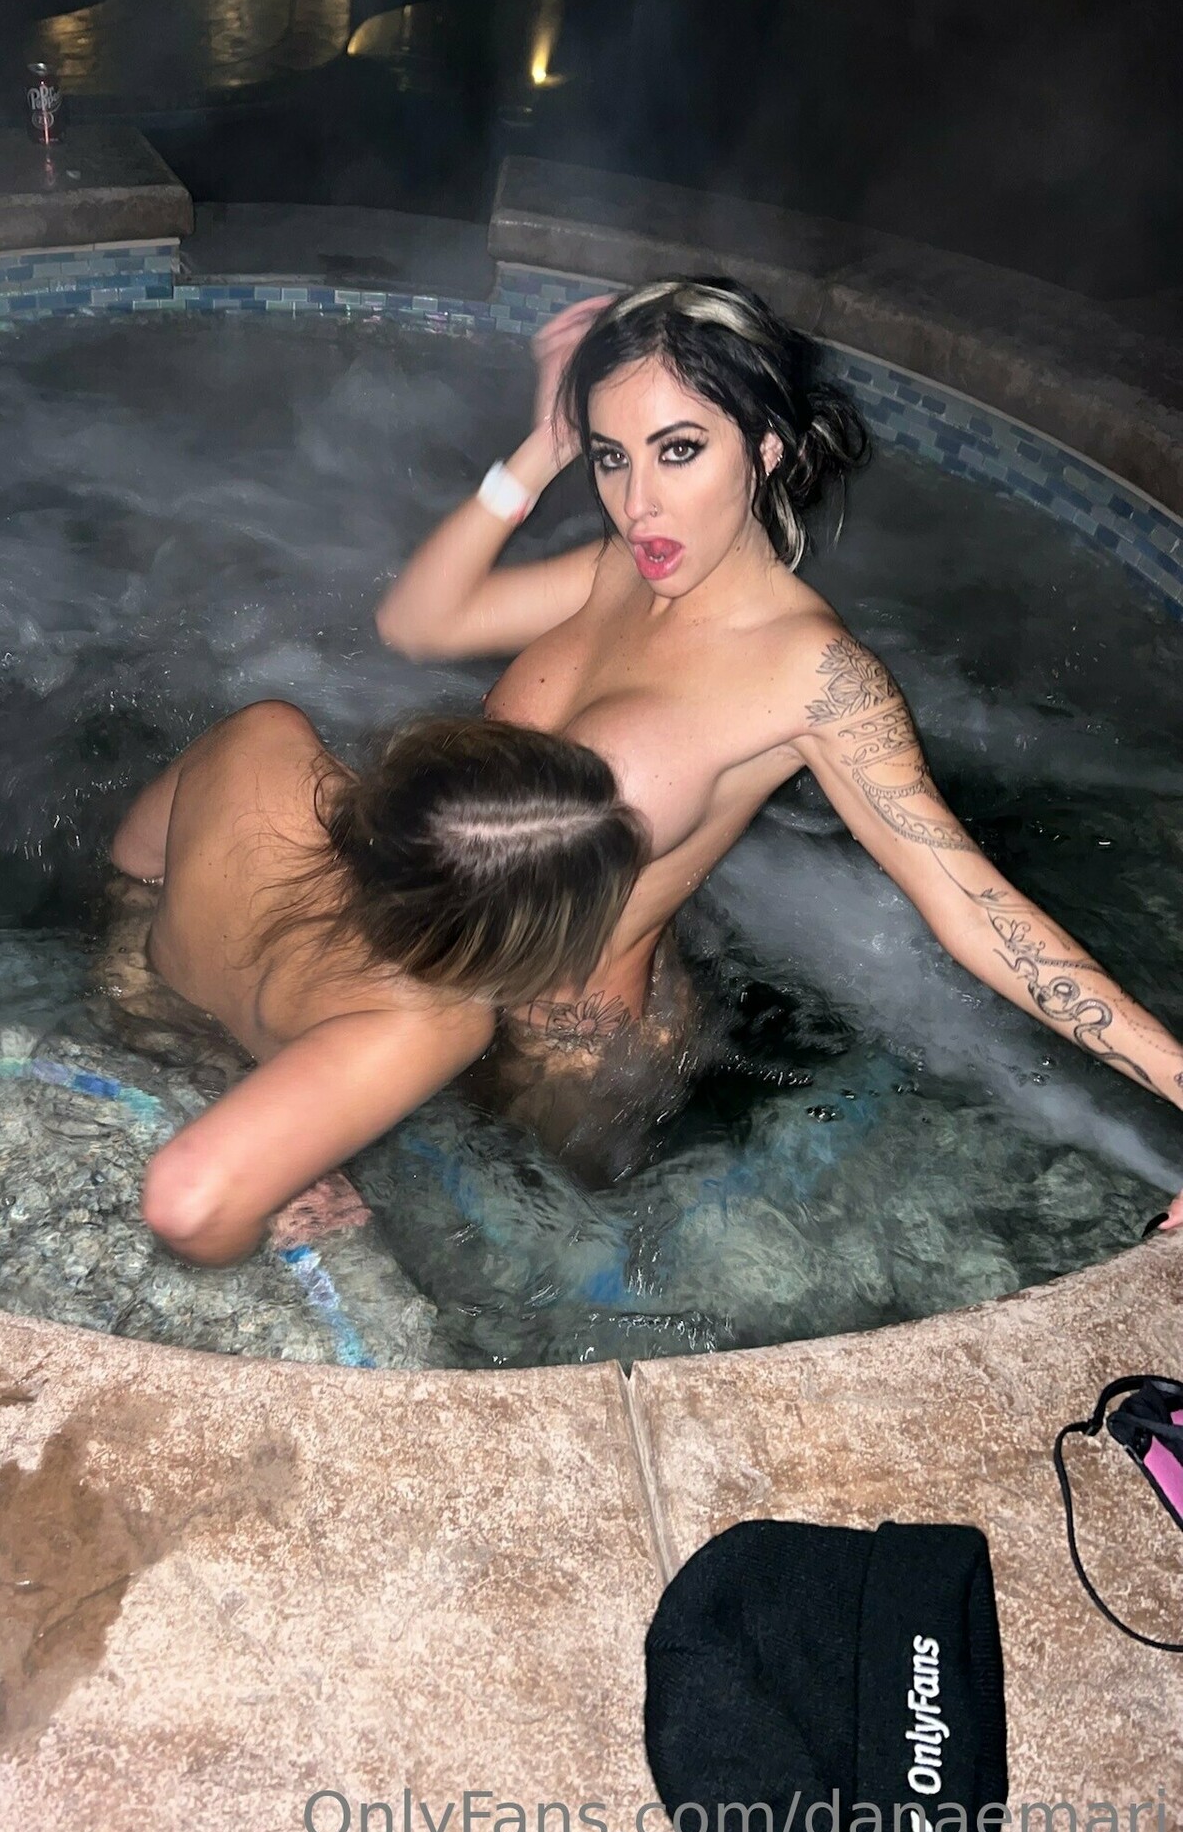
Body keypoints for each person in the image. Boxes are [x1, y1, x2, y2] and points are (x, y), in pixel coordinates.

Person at [375, 276, 1183, 1224]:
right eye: (612, 457)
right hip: (447, 977)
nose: (639, 505)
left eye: (680, 451)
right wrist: (544, 447)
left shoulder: (812, 675)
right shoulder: (617, 571)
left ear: (765, 448)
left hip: (572, 1063)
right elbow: (414, 624)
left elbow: (972, 907)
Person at [101, 701, 647, 1264]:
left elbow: (133, 863)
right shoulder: (433, 1023)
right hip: (218, 1090)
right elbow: (185, 1200)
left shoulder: (263, 736)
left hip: (135, 1003)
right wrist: (260, 1232)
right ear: (503, 943)